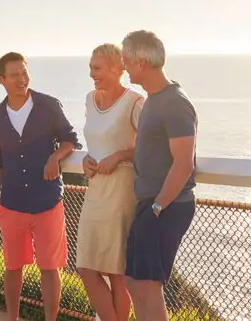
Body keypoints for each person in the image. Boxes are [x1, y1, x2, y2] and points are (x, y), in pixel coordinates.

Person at [0, 52, 80, 321]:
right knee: (12, 266)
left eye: (25, 72)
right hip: (12, 202)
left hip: (47, 201)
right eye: (15, 75)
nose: (22, 79)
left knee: (50, 267)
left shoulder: (49, 105)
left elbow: (70, 140)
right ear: (1, 79)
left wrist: (55, 156)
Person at [121, 30, 198, 321]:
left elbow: (183, 164)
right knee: (134, 282)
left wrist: (157, 207)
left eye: (127, 59)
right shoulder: (154, 99)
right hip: (151, 204)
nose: (124, 65)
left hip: (166, 205)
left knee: (149, 286)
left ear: (141, 61)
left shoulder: (174, 102)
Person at [77, 44, 145, 321]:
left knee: (117, 272)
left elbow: (151, 149)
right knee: (86, 267)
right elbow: (94, 141)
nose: (92, 73)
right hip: (95, 189)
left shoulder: (135, 102)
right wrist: (86, 160)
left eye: (97, 68)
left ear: (118, 69)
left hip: (121, 191)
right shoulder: (89, 99)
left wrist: (120, 155)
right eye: (90, 67)